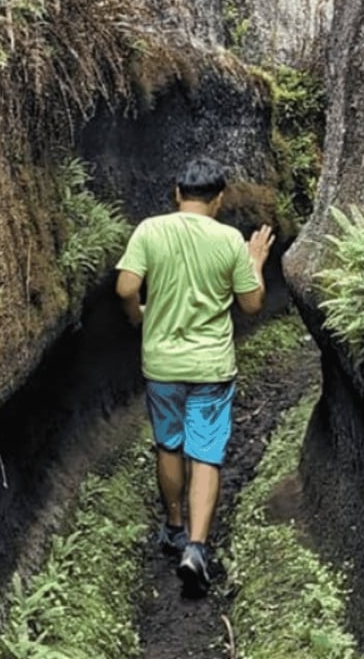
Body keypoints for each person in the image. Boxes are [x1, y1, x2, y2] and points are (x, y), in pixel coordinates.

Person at [114, 157, 274, 595]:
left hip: (162, 364)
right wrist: (254, 261)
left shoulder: (150, 230)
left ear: (176, 193)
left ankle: (174, 528)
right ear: (219, 199)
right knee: (206, 451)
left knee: (169, 442)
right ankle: (197, 549)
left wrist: (139, 317)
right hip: (211, 368)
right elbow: (252, 305)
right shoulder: (228, 240)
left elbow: (126, 287)